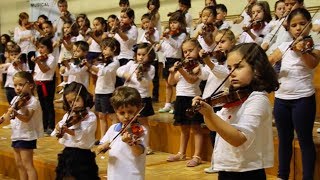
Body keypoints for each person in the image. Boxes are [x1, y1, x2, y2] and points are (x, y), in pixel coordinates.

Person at [193, 43, 279, 179]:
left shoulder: (258, 99)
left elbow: (238, 139)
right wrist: (206, 113)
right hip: (227, 167)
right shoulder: (233, 98)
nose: (231, 73)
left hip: (248, 170)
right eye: (229, 68)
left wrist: (210, 114)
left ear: (256, 69)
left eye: (238, 67)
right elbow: (212, 126)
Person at [268, 8, 320, 180]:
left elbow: (312, 64)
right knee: (284, 139)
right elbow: (269, 63)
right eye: (294, 25)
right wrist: (271, 61)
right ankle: (282, 175)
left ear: (310, 26)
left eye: (302, 24)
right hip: (282, 99)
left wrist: (302, 51)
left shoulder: (314, 47)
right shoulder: (282, 46)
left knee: (305, 140)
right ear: (288, 29)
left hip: (303, 99)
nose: (298, 28)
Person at [197, 29, 235, 173]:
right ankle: (216, 162)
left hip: (222, 102)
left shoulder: (231, 61)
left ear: (232, 42)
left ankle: (222, 163)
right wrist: (197, 68)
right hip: (211, 102)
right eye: (217, 42)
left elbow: (223, 74)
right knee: (213, 135)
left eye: (223, 42)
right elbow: (205, 74)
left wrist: (208, 62)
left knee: (222, 135)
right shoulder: (215, 60)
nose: (219, 45)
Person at [166, 38, 204, 167]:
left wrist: (181, 69)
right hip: (181, 98)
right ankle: (181, 153)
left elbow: (192, 80)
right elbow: (172, 82)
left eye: (190, 50)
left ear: (198, 50)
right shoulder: (183, 66)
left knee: (196, 128)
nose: (187, 54)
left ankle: (197, 156)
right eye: (185, 51)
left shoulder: (199, 66)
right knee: (184, 128)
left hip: (193, 98)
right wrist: (172, 72)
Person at [96, 86, 147, 180]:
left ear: (138, 109)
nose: (127, 116)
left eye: (130, 112)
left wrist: (130, 143)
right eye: (122, 113)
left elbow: (138, 152)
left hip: (133, 176)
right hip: (114, 175)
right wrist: (102, 147)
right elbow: (99, 149)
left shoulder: (141, 130)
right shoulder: (113, 129)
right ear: (116, 112)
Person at [51, 82, 99, 180]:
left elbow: (82, 133)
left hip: (82, 155)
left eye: (77, 100)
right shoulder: (68, 115)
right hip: (67, 153)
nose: (74, 104)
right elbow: (60, 125)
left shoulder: (90, 116)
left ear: (84, 98)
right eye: (70, 102)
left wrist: (67, 130)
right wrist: (58, 127)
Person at [0, 71, 43, 180]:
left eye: (20, 84)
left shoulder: (33, 101)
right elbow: (8, 116)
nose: (17, 88)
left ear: (31, 85)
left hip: (27, 136)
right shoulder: (16, 99)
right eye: (15, 85)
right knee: (19, 165)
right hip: (17, 135)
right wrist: (3, 117)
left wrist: (16, 113)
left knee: (28, 165)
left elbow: (27, 118)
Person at [116, 42, 155, 155]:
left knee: (143, 123)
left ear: (150, 56)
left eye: (144, 54)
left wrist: (140, 75)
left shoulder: (150, 68)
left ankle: (146, 145)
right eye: (139, 54)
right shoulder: (131, 64)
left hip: (142, 98)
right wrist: (125, 74)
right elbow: (118, 71)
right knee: (128, 121)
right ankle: (127, 141)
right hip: (130, 98)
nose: (141, 57)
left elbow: (146, 84)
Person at [82, 37, 120, 139]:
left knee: (112, 116)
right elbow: (96, 72)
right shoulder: (103, 62)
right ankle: (103, 138)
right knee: (101, 116)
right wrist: (87, 66)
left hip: (108, 92)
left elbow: (102, 72)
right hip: (99, 91)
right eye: (102, 49)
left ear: (114, 48)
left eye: (105, 48)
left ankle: (113, 137)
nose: (103, 51)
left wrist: (89, 65)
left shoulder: (115, 62)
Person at [157, 10, 187, 113]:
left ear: (181, 23)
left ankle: (176, 104)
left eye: (175, 22)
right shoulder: (169, 34)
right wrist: (159, 47)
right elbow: (166, 49)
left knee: (176, 84)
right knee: (167, 84)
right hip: (167, 61)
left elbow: (177, 46)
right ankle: (167, 104)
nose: (172, 25)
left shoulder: (182, 34)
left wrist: (168, 37)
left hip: (176, 61)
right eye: (171, 23)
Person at [32, 36, 58, 136]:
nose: (40, 49)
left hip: (48, 84)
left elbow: (44, 70)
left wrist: (38, 62)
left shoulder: (51, 58)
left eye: (42, 47)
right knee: (42, 106)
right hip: (39, 83)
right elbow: (36, 72)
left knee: (49, 105)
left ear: (48, 47)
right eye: (39, 47)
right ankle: (44, 126)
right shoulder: (39, 56)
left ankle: (50, 127)